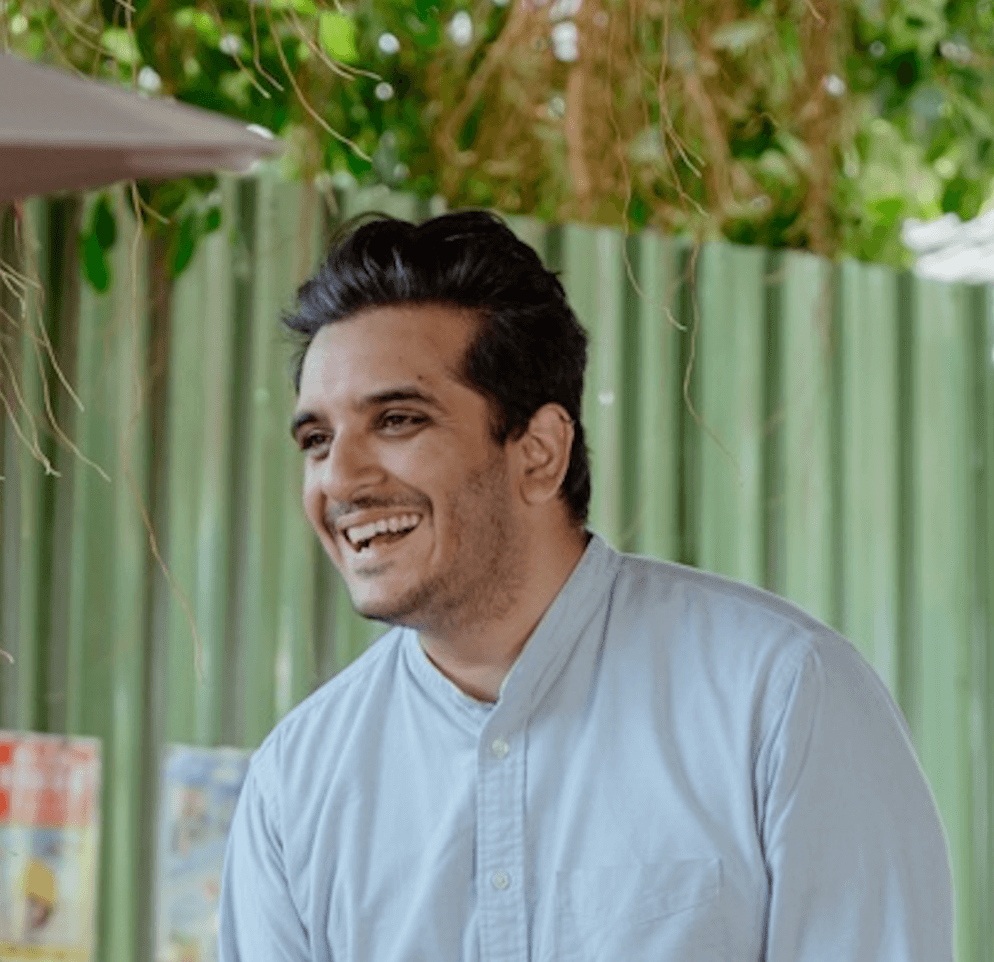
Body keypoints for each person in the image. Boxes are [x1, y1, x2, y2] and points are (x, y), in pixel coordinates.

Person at [218, 210, 953, 962]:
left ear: (539, 452)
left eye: (399, 419)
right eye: (317, 440)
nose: (340, 478)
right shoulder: (295, 784)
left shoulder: (781, 697)